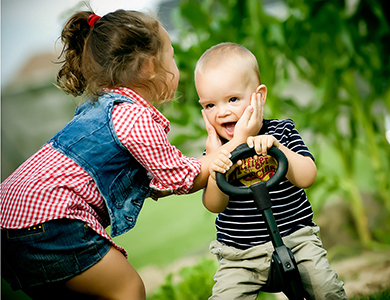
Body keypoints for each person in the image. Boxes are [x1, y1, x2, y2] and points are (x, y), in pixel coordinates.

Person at [0, 10, 263, 300]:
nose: (175, 65)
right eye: (172, 56)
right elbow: (180, 178)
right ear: (151, 66)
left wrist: (213, 155)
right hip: (51, 219)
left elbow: (153, 182)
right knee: (128, 289)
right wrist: (238, 141)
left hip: (10, 220)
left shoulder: (100, 107)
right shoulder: (134, 115)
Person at [195, 42, 347, 300]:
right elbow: (214, 205)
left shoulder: (281, 132)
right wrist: (215, 169)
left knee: (327, 291)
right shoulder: (215, 150)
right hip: (240, 254)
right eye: (210, 105)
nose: (222, 112)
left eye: (232, 99)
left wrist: (280, 149)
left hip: (296, 240)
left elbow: (308, 176)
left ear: (259, 96)